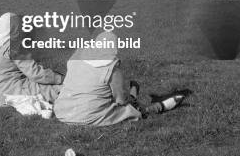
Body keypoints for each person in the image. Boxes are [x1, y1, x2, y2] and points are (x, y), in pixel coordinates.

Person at [54, 31, 189, 126]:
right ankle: (154, 108)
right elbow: (120, 100)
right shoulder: (112, 68)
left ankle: (145, 100)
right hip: (87, 115)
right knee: (128, 111)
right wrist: (130, 97)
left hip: (63, 111)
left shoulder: (75, 59)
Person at [0, 13, 63, 107]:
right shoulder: (14, 47)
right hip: (9, 92)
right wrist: (59, 78)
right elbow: (35, 74)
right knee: (55, 90)